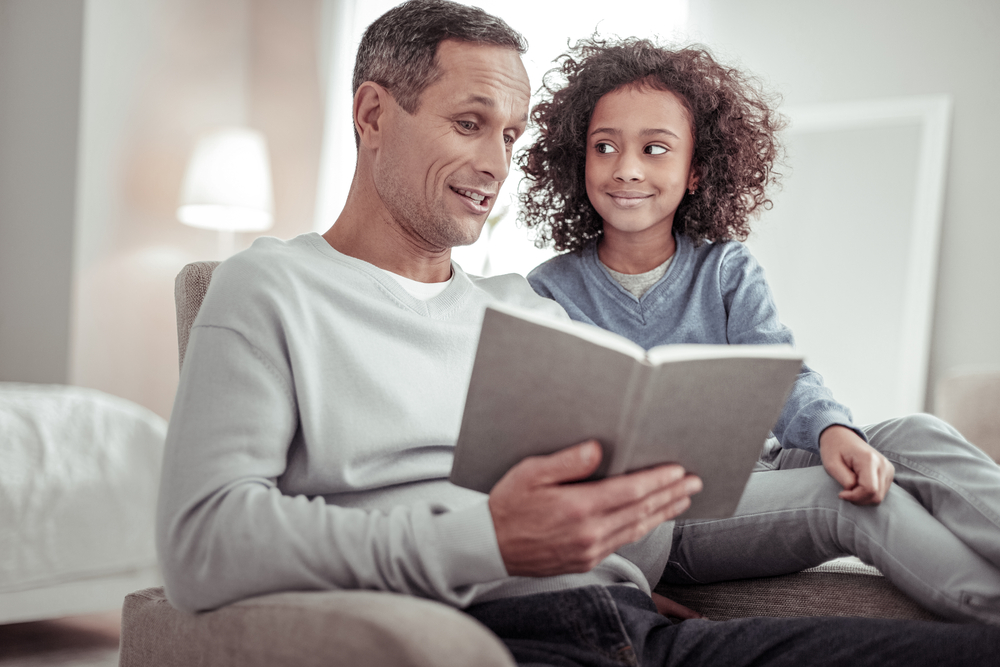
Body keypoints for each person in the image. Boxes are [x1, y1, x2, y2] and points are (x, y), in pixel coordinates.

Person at [157, 2, 1000, 665]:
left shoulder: (523, 311)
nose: (497, 163)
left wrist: (620, 545)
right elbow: (202, 544)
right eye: (469, 123)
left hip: (645, 626)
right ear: (373, 114)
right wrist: (490, 539)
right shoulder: (271, 286)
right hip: (518, 636)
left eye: (512, 135)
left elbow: (646, 524)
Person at [522, 36, 1000, 627]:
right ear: (580, 158)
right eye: (604, 147)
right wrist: (615, 580)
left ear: (696, 172)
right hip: (667, 516)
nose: (627, 169)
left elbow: (781, 370)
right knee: (852, 503)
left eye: (655, 149)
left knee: (915, 433)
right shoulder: (547, 291)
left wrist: (831, 429)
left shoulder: (724, 266)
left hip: (763, 466)